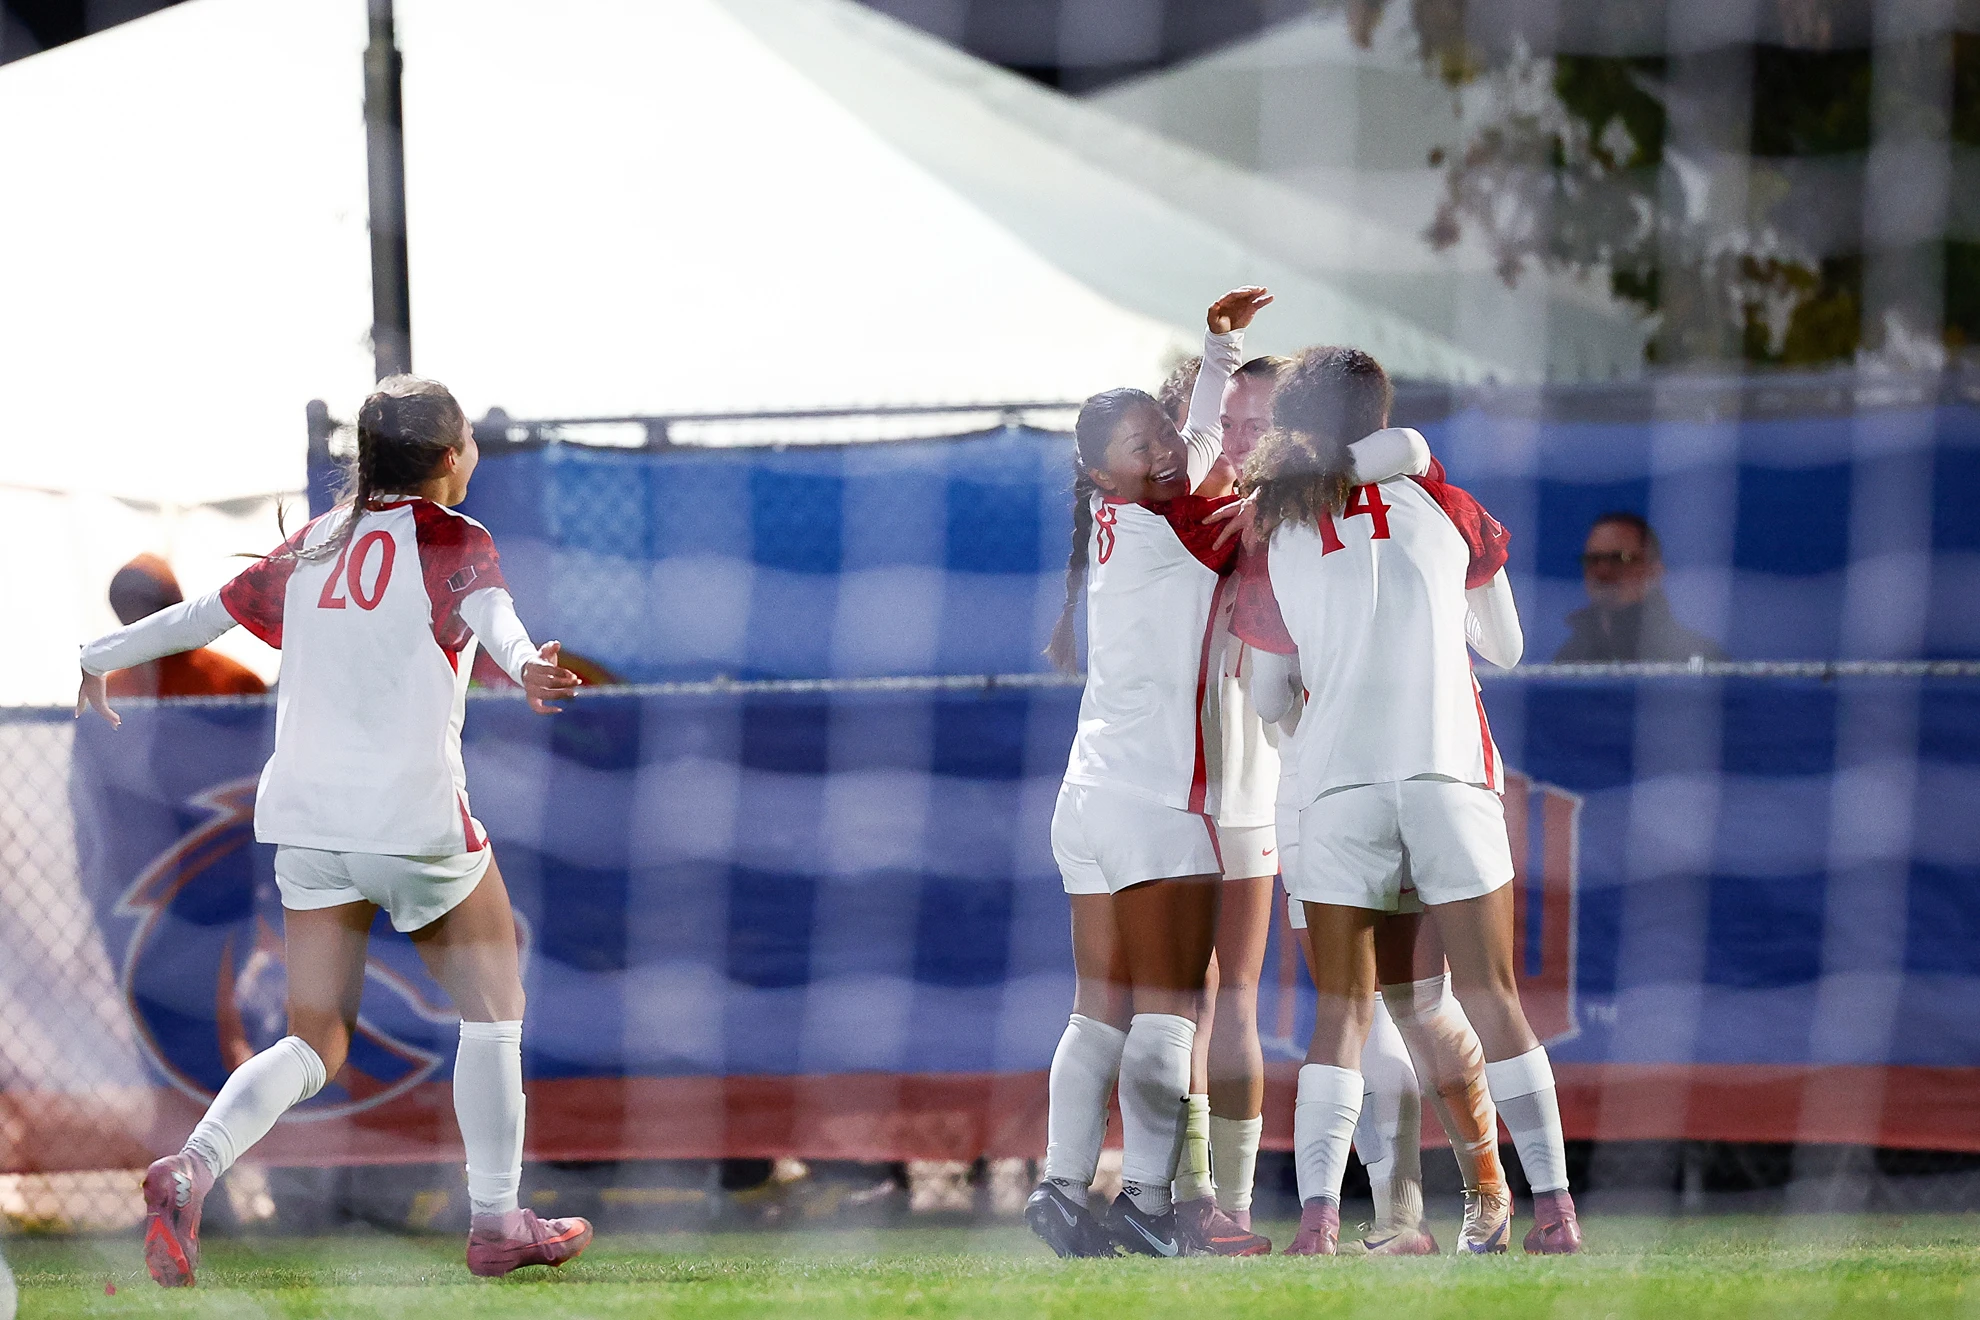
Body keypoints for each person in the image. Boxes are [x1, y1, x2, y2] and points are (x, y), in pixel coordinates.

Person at [76, 376, 593, 1287]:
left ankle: (192, 1165)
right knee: (493, 1010)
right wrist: (528, 669)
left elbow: (202, 615)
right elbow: (499, 624)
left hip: (309, 827)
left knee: (313, 1041)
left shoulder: (311, 544)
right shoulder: (454, 538)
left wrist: (97, 655)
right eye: (469, 442)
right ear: (449, 458)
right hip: (415, 823)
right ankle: (497, 1222)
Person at [1233, 346, 1581, 1257]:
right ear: (1380, 413)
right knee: (1492, 997)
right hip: (1447, 773)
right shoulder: (1449, 504)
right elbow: (1507, 648)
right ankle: (1554, 1214)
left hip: (1336, 786)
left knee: (1343, 1015)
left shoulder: (1274, 529)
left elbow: (1269, 697)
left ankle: (1318, 1225)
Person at [1554, 512, 1725, 662]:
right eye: (1593, 559)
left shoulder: (1695, 657)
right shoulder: (1570, 658)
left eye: (1620, 558)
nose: (1602, 571)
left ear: (1655, 572)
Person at [101, 555, 267, 698]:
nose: (137, 615)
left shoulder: (234, 682)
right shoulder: (111, 691)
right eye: (127, 605)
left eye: (148, 603)